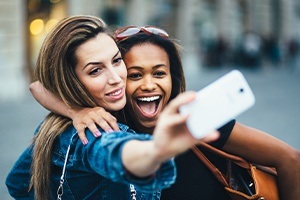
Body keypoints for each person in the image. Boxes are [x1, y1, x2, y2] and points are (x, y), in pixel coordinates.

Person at [19, 25, 300, 199]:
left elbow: (289, 159)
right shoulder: (104, 126)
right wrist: (76, 111)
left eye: (159, 73)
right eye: (135, 74)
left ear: (173, 79)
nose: (148, 85)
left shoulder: (196, 118)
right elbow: (38, 86)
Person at [5, 15, 219, 200]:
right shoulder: (93, 132)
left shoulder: (54, 126)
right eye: (95, 71)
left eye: (116, 61)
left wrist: (74, 110)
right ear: (71, 81)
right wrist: (156, 150)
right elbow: (114, 152)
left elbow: (18, 182)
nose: (116, 78)